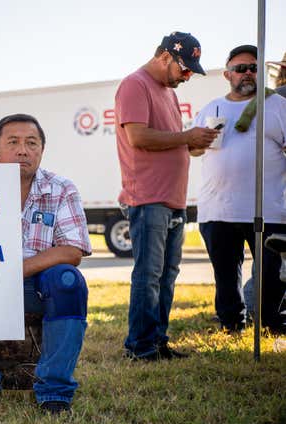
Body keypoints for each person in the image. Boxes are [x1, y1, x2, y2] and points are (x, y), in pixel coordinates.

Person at [0, 114, 92, 414]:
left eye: (31, 143)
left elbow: (72, 250)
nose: (23, 150)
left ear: (41, 150)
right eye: (13, 142)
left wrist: (15, 271)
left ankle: (54, 391)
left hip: (36, 284)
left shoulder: (61, 188)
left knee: (68, 280)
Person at [114, 32, 219, 361]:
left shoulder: (168, 93)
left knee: (167, 275)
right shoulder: (135, 84)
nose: (187, 76)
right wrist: (186, 136)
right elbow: (138, 137)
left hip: (173, 198)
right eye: (185, 69)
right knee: (148, 276)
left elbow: (174, 141)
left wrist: (195, 144)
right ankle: (140, 347)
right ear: (164, 57)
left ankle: (157, 341)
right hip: (147, 197)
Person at [192, 45, 286, 334]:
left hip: (268, 208)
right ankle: (231, 323)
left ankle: (270, 322)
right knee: (225, 275)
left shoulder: (279, 106)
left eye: (253, 68)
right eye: (240, 68)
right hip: (217, 208)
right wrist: (200, 141)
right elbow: (193, 151)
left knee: (270, 274)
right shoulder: (211, 108)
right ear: (227, 74)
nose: (247, 73)